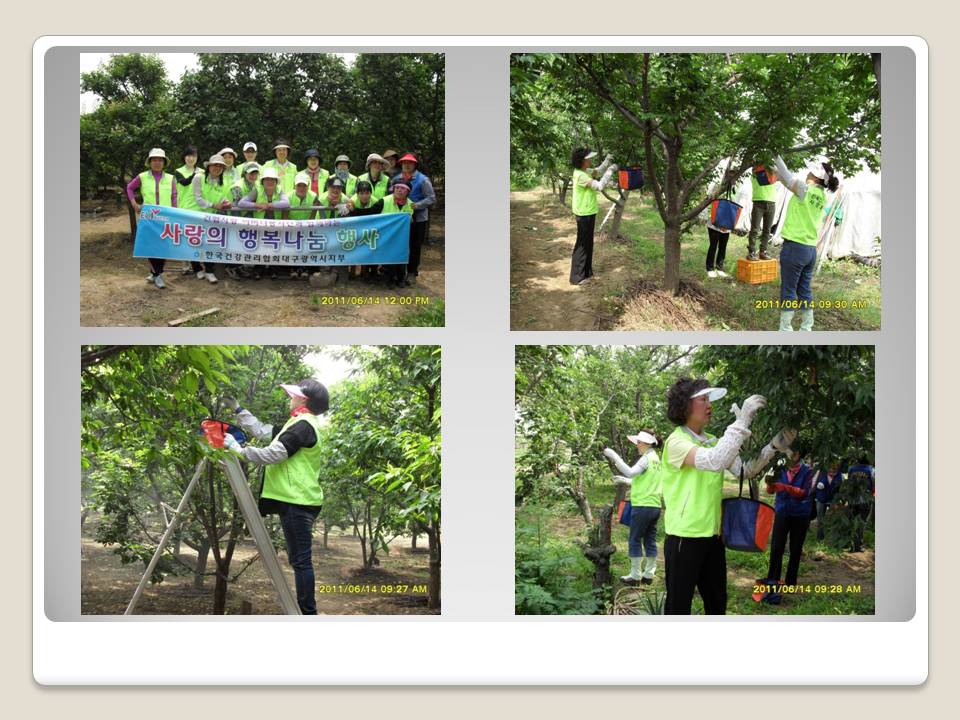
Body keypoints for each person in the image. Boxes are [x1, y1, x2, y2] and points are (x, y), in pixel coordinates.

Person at [660, 377, 795, 615]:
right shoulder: (676, 442)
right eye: (703, 399)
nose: (709, 404)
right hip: (683, 538)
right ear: (684, 406)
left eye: (709, 399)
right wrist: (741, 422)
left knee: (717, 604)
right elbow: (714, 461)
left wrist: (773, 447)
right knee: (678, 607)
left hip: (713, 537)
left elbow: (746, 470)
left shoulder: (711, 441)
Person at [222, 380, 330, 616]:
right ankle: (305, 611)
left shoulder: (303, 425)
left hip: (298, 501)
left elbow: (276, 453)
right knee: (298, 559)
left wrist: (239, 451)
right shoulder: (296, 423)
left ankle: (307, 614)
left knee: (301, 561)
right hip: (295, 500)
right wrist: (239, 410)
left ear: (303, 399)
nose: (289, 397)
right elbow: (263, 430)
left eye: (294, 395)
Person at [772, 156, 840, 331]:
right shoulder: (822, 196)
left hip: (795, 248)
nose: (807, 173)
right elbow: (785, 179)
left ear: (815, 176)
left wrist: (775, 155)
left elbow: (787, 177)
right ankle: (806, 327)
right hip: (810, 250)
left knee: (788, 290)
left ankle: (785, 329)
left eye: (810, 171)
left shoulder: (805, 190)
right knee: (804, 290)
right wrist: (776, 173)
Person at [603, 431, 662, 584]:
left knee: (634, 539)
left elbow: (630, 472)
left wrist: (614, 456)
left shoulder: (646, 459)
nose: (637, 445)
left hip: (642, 505)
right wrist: (625, 480)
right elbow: (647, 482)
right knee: (650, 539)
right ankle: (649, 574)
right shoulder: (657, 459)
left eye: (639, 442)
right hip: (654, 506)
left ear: (647, 443)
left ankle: (635, 575)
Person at [760, 444, 816, 604]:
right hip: (782, 512)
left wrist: (783, 487)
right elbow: (770, 491)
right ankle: (772, 580)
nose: (791, 454)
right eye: (788, 451)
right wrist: (771, 485)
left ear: (799, 454)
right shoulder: (780, 468)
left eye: (794, 452)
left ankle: (791, 582)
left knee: (795, 549)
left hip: (801, 514)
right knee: (776, 547)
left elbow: (804, 492)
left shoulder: (808, 471)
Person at [127, 147, 177, 289]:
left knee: (163, 247)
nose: (157, 162)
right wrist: (134, 204)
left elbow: (174, 197)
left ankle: (154, 273)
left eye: (159, 160)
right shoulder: (142, 176)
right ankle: (158, 274)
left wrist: (175, 214)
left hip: (165, 217)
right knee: (150, 247)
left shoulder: (170, 178)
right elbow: (129, 188)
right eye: (154, 160)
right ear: (149, 162)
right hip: (149, 217)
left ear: (164, 162)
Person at [569, 147, 617, 286]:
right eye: (588, 158)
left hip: (589, 211)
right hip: (583, 213)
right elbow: (600, 186)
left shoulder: (585, 171)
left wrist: (607, 161)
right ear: (582, 161)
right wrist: (611, 170)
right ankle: (576, 277)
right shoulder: (580, 175)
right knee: (582, 244)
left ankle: (586, 273)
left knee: (588, 242)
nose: (590, 160)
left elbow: (598, 171)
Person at [189, 153, 233, 283]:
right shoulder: (198, 177)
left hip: (212, 216)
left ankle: (209, 271)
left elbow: (223, 197)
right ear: (209, 166)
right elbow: (198, 199)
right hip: (196, 214)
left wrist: (226, 202)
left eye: (220, 166)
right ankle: (197, 268)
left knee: (211, 242)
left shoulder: (223, 182)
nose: (217, 168)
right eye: (215, 165)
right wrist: (214, 205)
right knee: (195, 242)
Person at [392, 153, 436, 286]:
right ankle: (397, 272)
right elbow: (390, 194)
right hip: (400, 218)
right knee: (399, 244)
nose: (406, 165)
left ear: (415, 165)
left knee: (415, 246)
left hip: (418, 218)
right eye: (404, 163)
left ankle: (412, 273)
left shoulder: (423, 180)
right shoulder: (396, 178)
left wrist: (417, 205)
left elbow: (431, 198)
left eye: (410, 163)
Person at [381, 179, 416, 288]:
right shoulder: (384, 201)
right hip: (387, 235)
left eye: (403, 189)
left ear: (408, 192)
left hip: (402, 237)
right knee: (389, 257)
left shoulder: (411, 205)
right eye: (397, 188)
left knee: (401, 257)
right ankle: (389, 279)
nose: (399, 191)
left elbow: (412, 220)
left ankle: (401, 278)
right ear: (393, 189)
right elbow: (371, 214)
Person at [748, 163, 779, 260]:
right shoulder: (755, 172)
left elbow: (778, 173)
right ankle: (751, 252)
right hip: (758, 202)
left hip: (771, 202)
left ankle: (763, 251)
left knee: (767, 229)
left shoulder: (772, 171)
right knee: (755, 229)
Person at [814, 464, 843, 541]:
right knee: (820, 519)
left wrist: (839, 500)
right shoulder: (821, 473)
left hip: (833, 500)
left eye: (834, 470)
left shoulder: (840, 476)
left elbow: (841, 488)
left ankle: (831, 539)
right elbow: (813, 483)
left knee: (832, 519)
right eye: (830, 470)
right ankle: (820, 538)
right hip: (821, 499)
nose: (832, 472)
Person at [173, 145, 203, 213]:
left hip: (198, 210)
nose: (191, 159)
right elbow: (184, 183)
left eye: (194, 156)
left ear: (197, 158)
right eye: (189, 156)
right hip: (183, 209)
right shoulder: (178, 171)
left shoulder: (202, 172)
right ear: (184, 157)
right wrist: (195, 174)